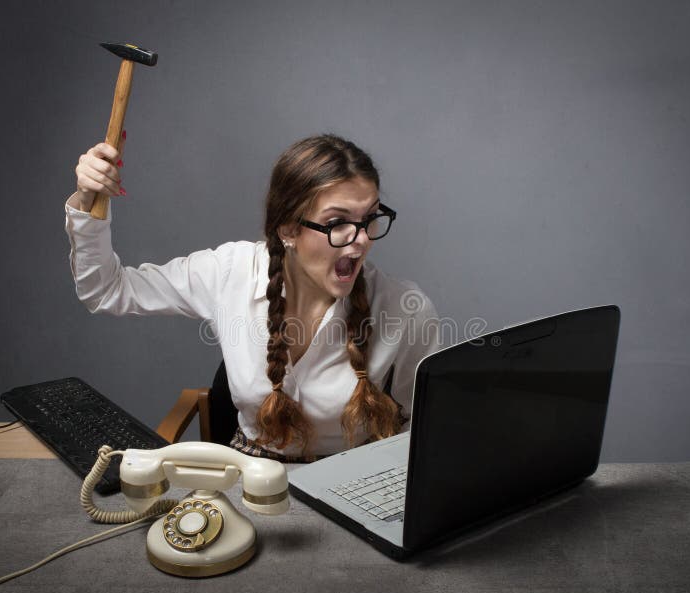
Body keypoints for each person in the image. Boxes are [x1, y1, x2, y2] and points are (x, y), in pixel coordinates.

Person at [65, 133, 440, 461]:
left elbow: (422, 437)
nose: (360, 240)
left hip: (348, 489)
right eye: (336, 223)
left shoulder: (405, 309)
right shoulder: (230, 271)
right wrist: (88, 201)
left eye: (370, 218)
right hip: (248, 481)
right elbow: (106, 290)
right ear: (288, 229)